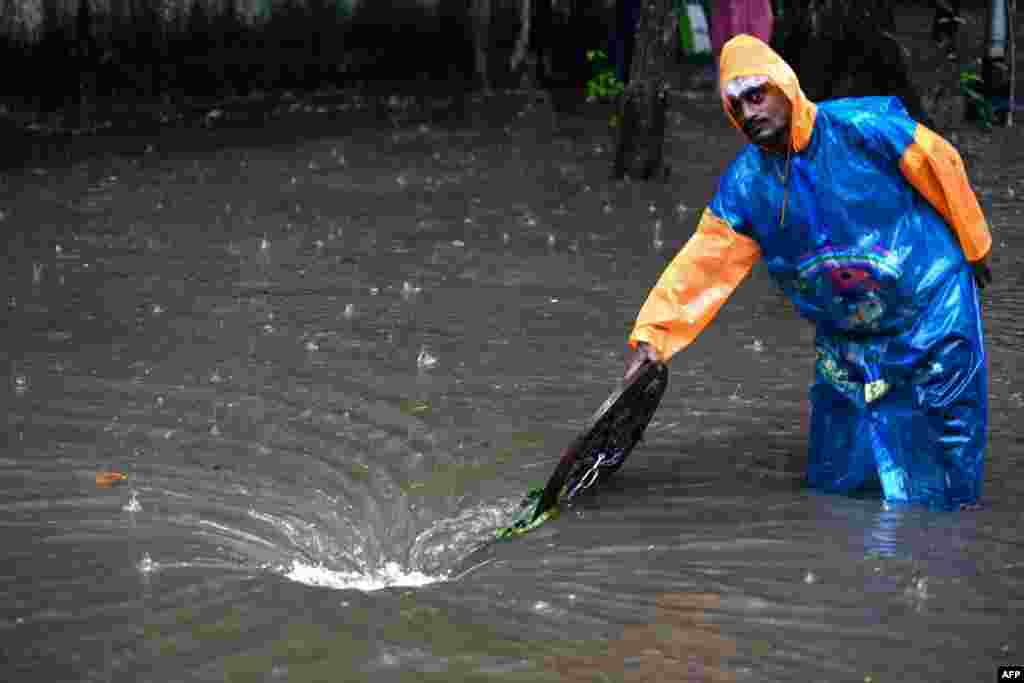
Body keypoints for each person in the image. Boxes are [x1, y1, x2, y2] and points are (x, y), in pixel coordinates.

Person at [623, 35, 993, 512]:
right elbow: (704, 263)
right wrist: (652, 338)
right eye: (736, 105)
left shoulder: (864, 128)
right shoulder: (746, 184)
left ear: (786, 86)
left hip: (930, 311)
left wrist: (975, 244)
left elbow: (940, 163)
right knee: (838, 481)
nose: (749, 112)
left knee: (946, 468)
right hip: (846, 333)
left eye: (757, 95)